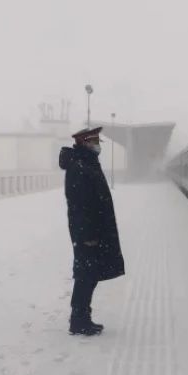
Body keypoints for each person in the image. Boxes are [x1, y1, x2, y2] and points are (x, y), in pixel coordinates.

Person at [59, 127, 125, 335]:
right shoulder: (80, 166)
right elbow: (80, 205)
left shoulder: (86, 163)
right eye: (95, 141)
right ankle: (78, 320)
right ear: (85, 142)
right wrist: (87, 235)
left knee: (89, 275)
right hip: (87, 234)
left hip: (93, 231)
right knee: (85, 276)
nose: (97, 145)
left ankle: (82, 317)